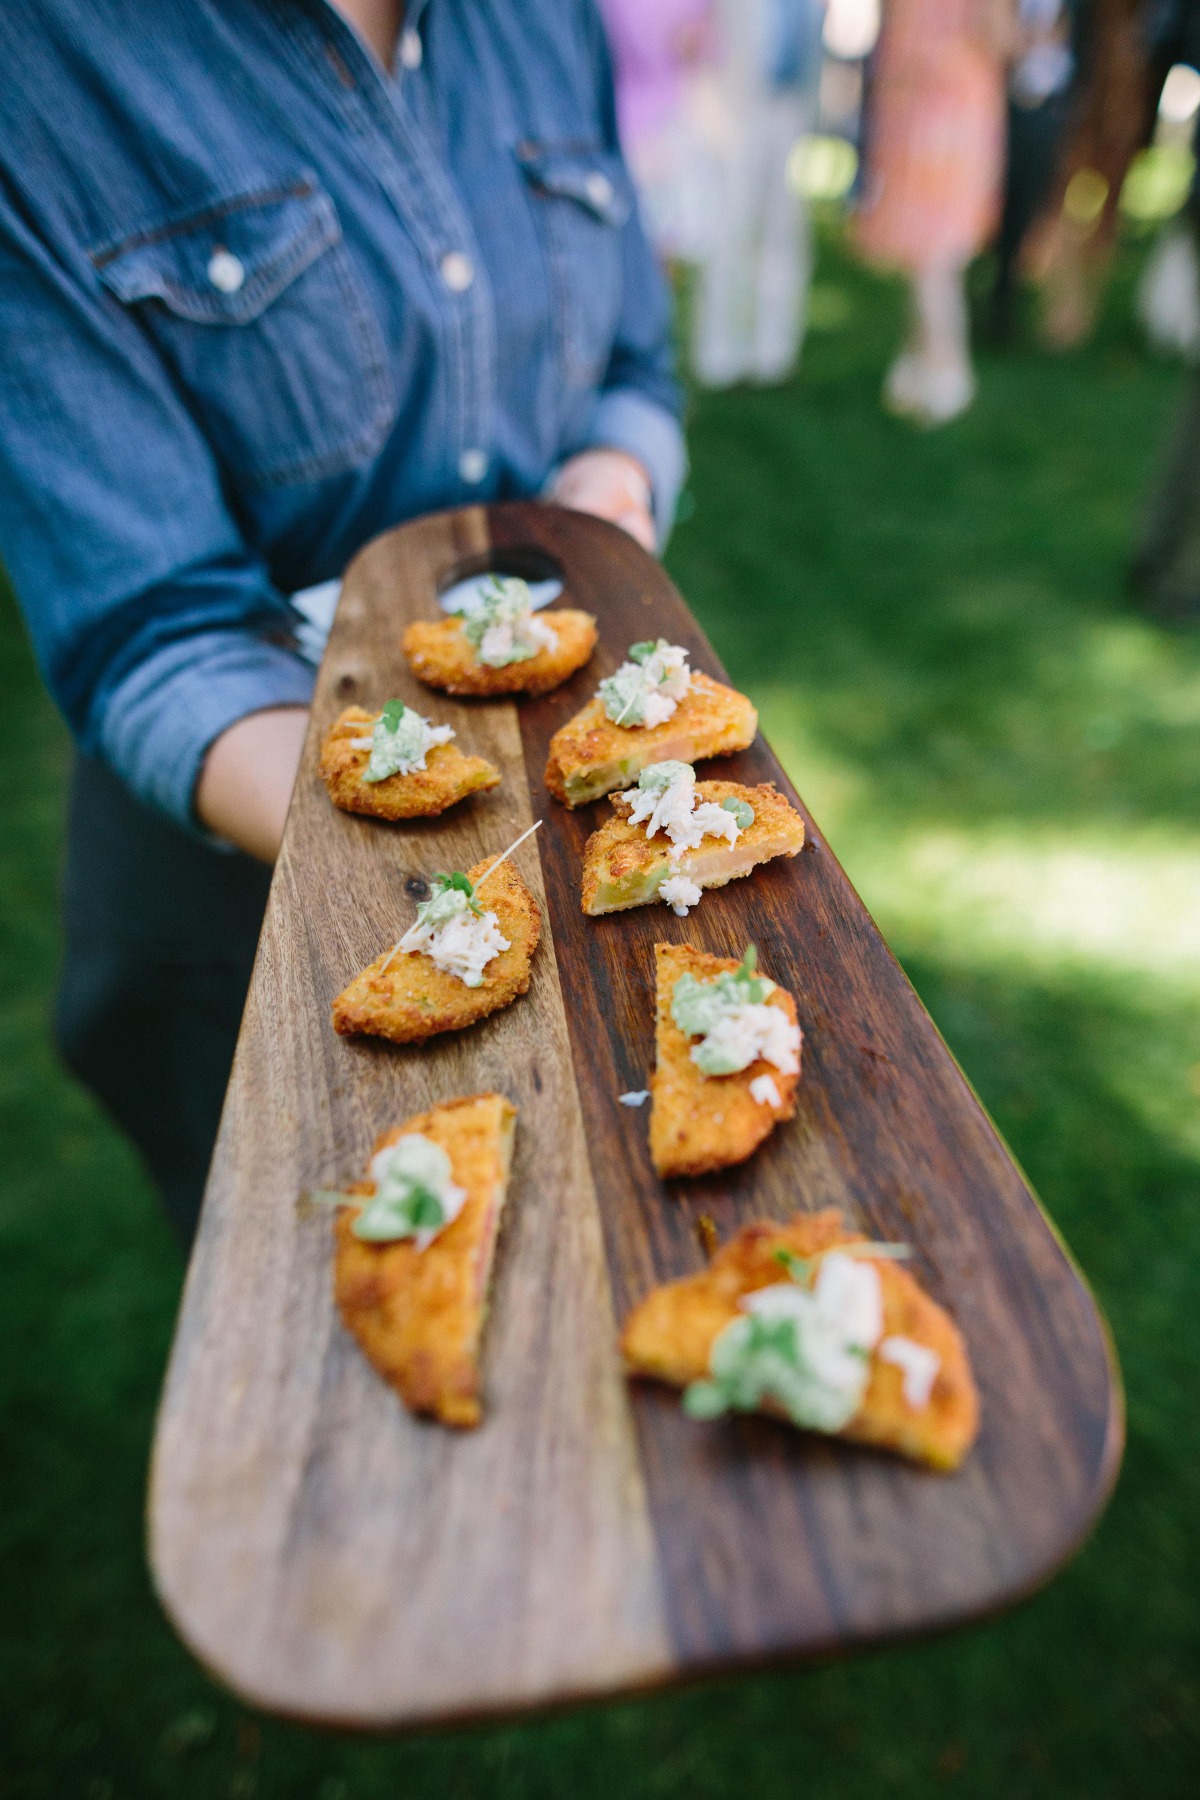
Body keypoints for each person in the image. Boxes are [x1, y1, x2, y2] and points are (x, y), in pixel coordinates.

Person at [0, 0, 685, 1245]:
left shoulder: (547, 20)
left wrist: (612, 493)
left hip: (577, 789)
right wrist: (407, 861)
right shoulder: (42, 58)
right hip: (243, 857)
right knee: (335, 1273)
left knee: (601, 1244)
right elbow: (151, 623)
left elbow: (636, 363)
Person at [853, 0, 1012, 424]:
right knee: (934, 258)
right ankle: (929, 370)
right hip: (939, 113)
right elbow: (1000, 37)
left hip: (930, 113)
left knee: (932, 258)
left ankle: (939, 372)